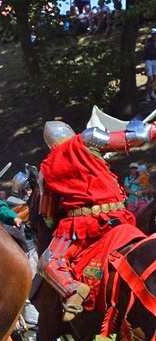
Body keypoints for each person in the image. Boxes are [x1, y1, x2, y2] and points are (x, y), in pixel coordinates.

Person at [37, 119, 156, 320]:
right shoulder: (87, 139)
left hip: (81, 226)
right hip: (118, 218)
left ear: (50, 144)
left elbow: (48, 214)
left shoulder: (46, 168)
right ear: (71, 132)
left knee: (48, 261)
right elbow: (134, 137)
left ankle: (73, 290)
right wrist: (152, 129)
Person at [145, 29, 156, 100]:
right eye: (153, 34)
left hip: (155, 60)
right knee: (150, 78)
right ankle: (147, 94)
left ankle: (152, 92)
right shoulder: (148, 41)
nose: (154, 35)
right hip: (148, 60)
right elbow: (147, 49)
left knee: (155, 78)